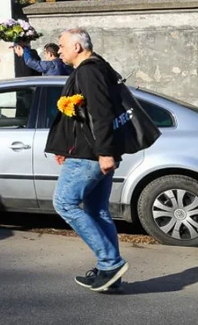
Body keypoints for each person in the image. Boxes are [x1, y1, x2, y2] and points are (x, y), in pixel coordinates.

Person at [45, 28, 129, 292]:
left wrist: (105, 152)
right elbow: (81, 115)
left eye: (61, 46)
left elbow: (101, 113)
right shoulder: (97, 68)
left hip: (89, 154)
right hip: (88, 151)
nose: (59, 51)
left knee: (64, 203)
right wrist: (64, 146)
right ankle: (109, 275)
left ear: (77, 47)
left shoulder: (88, 71)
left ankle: (110, 262)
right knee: (97, 210)